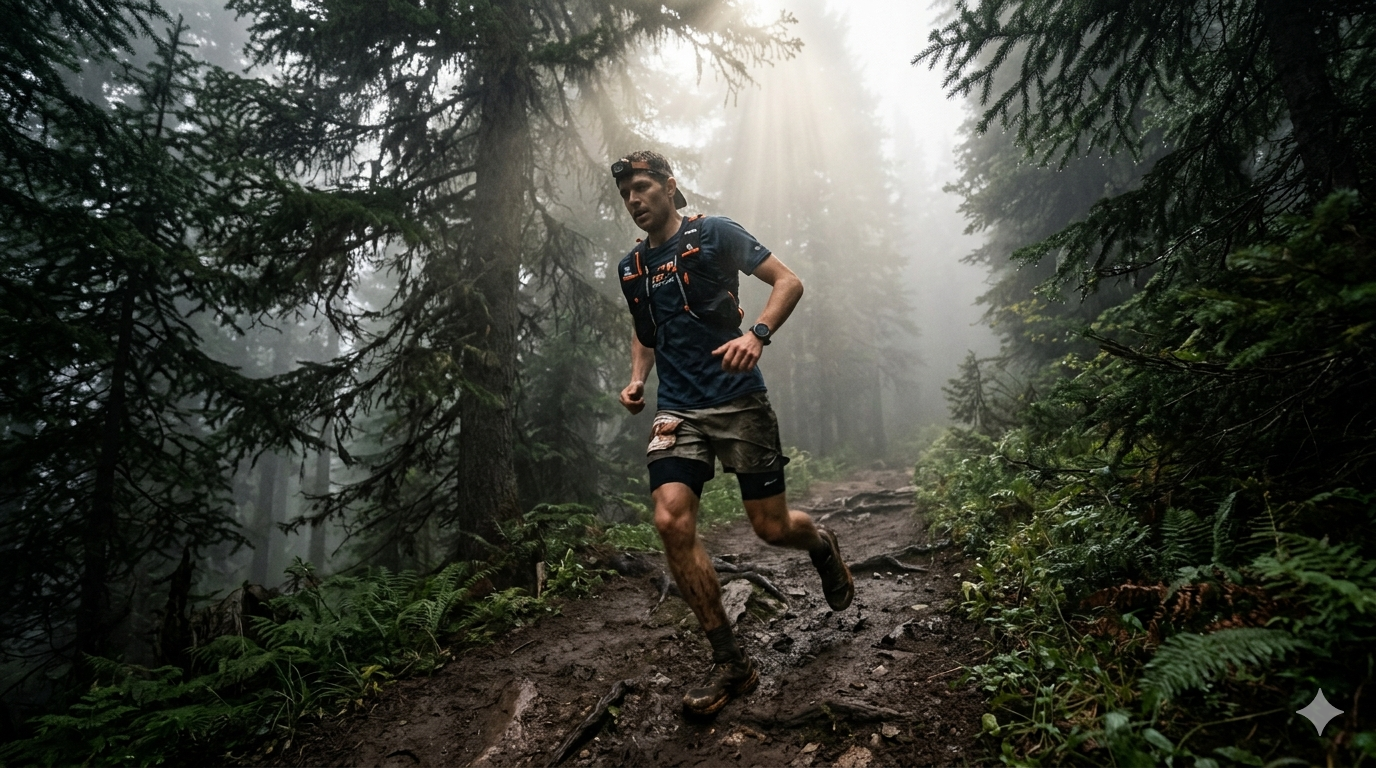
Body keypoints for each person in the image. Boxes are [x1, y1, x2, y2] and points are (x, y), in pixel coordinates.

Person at [611, 150, 855, 717]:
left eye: (643, 187)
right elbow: (645, 330)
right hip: (678, 410)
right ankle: (731, 663)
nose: (634, 200)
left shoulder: (715, 233)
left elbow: (788, 281)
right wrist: (636, 378)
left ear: (670, 187)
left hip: (738, 399)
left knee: (770, 527)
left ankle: (821, 546)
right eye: (626, 194)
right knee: (669, 518)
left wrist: (758, 334)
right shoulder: (632, 269)